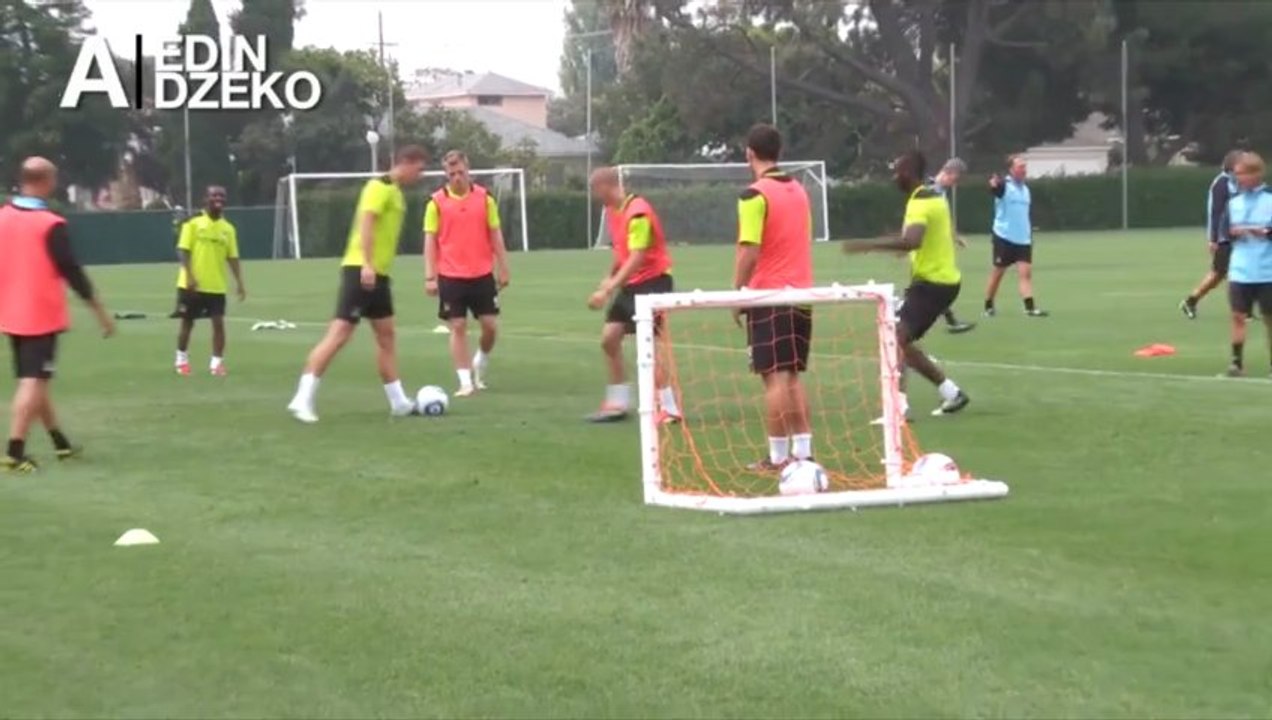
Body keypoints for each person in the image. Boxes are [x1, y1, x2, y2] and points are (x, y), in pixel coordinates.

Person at [286, 145, 429, 423]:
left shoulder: (396, 192)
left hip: (379, 276)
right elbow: (366, 222)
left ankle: (399, 403)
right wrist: (366, 263)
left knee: (386, 336)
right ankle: (302, 399)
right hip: (361, 271)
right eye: (420, 168)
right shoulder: (379, 186)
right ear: (406, 163)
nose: (421, 175)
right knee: (339, 334)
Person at [0, 157, 115, 472]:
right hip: (40, 314)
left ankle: (60, 444)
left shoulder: (3, 217)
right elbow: (73, 274)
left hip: (10, 312)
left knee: (36, 381)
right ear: (46, 181)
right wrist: (101, 313)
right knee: (34, 381)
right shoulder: (50, 224)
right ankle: (14, 453)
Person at [844, 150, 970, 418]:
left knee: (895, 337)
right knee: (899, 338)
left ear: (909, 173)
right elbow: (914, 238)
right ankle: (949, 393)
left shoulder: (921, 201)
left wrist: (870, 245)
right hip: (938, 282)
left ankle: (898, 407)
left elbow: (912, 241)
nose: (894, 176)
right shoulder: (931, 196)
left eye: (898, 171)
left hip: (933, 283)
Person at [734, 124, 815, 471]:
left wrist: (737, 292)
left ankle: (778, 458)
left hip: (769, 295)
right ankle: (804, 451)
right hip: (804, 295)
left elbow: (749, 250)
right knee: (792, 376)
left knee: (773, 378)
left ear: (749, 152)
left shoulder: (754, 195)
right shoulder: (799, 189)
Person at [584, 167, 681, 424]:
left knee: (648, 345)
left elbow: (637, 256)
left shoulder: (637, 211)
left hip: (654, 282)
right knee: (609, 338)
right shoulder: (612, 212)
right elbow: (622, 253)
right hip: (632, 284)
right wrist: (609, 278)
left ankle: (669, 407)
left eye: (595, 190)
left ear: (606, 186)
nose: (594, 196)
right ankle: (618, 402)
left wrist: (609, 288)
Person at [424, 150, 511, 397]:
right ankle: (465, 382)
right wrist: (430, 276)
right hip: (451, 275)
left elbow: (495, 235)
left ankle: (480, 360)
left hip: (482, 273)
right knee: (458, 325)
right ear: (446, 175)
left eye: (461, 172)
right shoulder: (436, 203)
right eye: (452, 174)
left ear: (468, 170)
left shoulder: (485, 199)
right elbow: (430, 241)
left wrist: (503, 267)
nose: (457, 177)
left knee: (490, 327)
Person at [173, 186, 245, 376]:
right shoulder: (193, 223)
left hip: (216, 286)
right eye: (214, 195)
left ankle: (216, 364)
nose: (218, 198)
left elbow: (233, 257)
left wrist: (239, 283)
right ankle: (181, 360)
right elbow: (183, 250)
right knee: (187, 323)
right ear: (206, 199)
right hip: (191, 285)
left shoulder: (228, 229)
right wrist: (189, 276)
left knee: (218, 324)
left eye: (222, 195)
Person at [1219, 152, 1272, 377]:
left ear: (1255, 174)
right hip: (1241, 270)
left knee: (1270, 319)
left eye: (1241, 174)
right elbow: (1224, 233)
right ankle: (1236, 363)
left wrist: (1265, 232)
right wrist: (1233, 234)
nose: (1237, 178)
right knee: (1238, 316)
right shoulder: (1234, 203)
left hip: (1267, 271)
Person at [1181, 150, 1243, 319]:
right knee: (1218, 274)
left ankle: (1242, 309)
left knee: (1239, 271)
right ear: (1232, 166)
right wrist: (1213, 239)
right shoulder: (1221, 184)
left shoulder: (1241, 182)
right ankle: (1191, 300)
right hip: (1224, 238)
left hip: (1240, 236)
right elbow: (1215, 212)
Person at [984, 155, 1048, 317]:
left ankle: (1030, 307)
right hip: (1004, 237)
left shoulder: (1026, 190)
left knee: (1025, 273)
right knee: (998, 273)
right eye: (1020, 166)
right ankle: (988, 305)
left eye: (1024, 166)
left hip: (1023, 239)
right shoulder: (1004, 186)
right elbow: (995, 189)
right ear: (1011, 169)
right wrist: (993, 184)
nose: (1023, 170)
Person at [927, 158, 975, 333]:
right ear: (950, 172)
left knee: (935, 285)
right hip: (929, 248)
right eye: (956, 178)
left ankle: (951, 320)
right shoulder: (930, 190)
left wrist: (955, 237)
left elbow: (944, 219)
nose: (955, 182)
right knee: (935, 285)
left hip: (937, 248)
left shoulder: (939, 191)